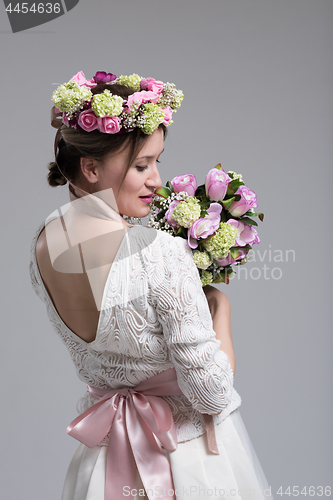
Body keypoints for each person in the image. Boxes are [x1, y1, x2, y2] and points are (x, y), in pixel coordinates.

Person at [29, 71, 273, 500]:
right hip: (183, 459)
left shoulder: (45, 242)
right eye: (142, 165)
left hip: (101, 461)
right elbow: (213, 394)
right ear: (89, 167)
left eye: (157, 161)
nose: (156, 179)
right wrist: (221, 311)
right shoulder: (160, 252)